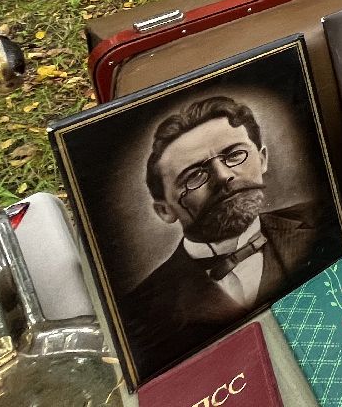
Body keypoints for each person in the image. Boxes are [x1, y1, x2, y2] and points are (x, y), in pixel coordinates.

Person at [124, 95, 325, 378]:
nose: (223, 176)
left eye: (234, 155)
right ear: (164, 211)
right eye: (194, 175)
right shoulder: (139, 313)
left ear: (262, 159)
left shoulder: (323, 219)